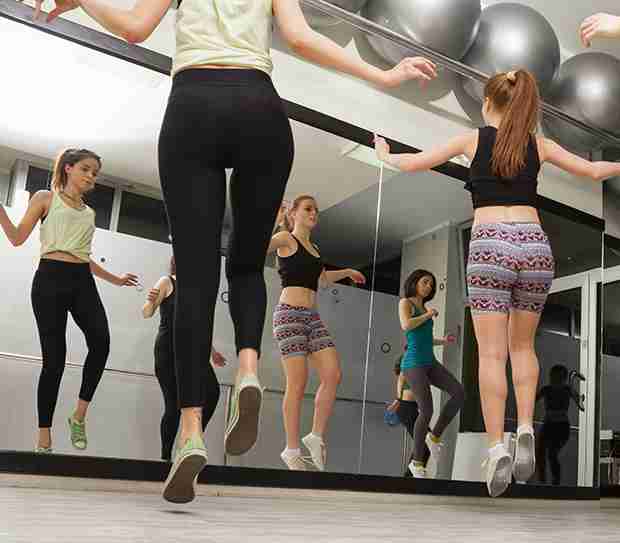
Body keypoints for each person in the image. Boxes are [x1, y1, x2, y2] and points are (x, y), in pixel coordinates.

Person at [41, 0, 437, 503]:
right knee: (248, 264)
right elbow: (301, 38)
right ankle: (248, 369)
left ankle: (190, 432)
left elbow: (135, 28)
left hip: (192, 106)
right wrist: (382, 75)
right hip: (260, 109)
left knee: (196, 278)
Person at [375, 69, 620, 496]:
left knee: (491, 353)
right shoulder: (539, 145)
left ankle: (496, 446)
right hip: (534, 242)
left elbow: (414, 162)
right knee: (522, 347)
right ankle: (524, 425)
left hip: (491, 243)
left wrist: (385, 153)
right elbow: (595, 170)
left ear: (487, 102)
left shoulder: (473, 139)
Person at [0, 148, 138, 454]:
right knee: (55, 361)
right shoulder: (45, 199)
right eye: (86, 169)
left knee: (101, 342)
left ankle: (78, 415)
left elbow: (84, 257)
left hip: (81, 280)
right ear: (68, 168)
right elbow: (17, 238)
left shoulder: (89, 213)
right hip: (49, 280)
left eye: (95, 173)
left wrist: (115, 279)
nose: (91, 176)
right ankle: (44, 437)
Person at [268, 195, 365, 471]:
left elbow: (321, 278)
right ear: (294, 214)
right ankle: (291, 448)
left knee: (333, 374)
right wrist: (275, 221)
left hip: (312, 317)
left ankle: (315, 436)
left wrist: (346, 271)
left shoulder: (315, 248)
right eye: (308, 209)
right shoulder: (286, 239)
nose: (314, 213)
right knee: (297, 384)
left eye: (316, 210)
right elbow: (257, 247)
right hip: (289, 315)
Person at [142, 256, 227, 461]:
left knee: (212, 392)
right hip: (168, 351)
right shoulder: (166, 282)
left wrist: (212, 351)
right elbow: (146, 313)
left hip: (192, 352)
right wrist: (151, 301)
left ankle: (190, 440)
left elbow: (197, 327)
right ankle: (165, 459)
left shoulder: (195, 291)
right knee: (173, 407)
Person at [396, 269, 464, 479]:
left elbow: (423, 338)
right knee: (427, 410)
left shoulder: (424, 307)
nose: (429, 287)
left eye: (431, 284)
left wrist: (442, 341)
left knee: (459, 393)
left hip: (429, 362)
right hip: (413, 364)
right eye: (425, 282)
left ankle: (434, 437)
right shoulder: (406, 303)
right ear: (414, 282)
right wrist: (427, 315)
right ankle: (417, 463)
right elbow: (406, 325)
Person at [535, 364, 585, 486]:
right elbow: (533, 400)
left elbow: (580, 403)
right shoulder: (549, 389)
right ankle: (544, 480)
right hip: (551, 425)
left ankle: (553, 482)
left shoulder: (564, 389)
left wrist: (579, 396)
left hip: (559, 426)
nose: (555, 380)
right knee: (542, 452)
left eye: (557, 377)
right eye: (553, 377)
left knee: (551, 454)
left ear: (562, 378)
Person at [385, 352, 431, 477]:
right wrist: (398, 399)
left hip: (410, 408)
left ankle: (410, 476)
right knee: (425, 444)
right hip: (406, 408)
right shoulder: (408, 364)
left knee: (425, 445)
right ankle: (410, 477)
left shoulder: (417, 368)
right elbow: (401, 379)